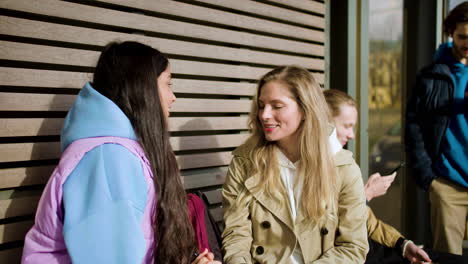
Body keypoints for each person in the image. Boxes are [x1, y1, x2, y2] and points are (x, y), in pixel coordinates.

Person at [21, 41, 220, 264]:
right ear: (143, 88)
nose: (173, 97)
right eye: (168, 84)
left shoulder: (120, 152)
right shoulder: (108, 159)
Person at [222, 65, 369, 263]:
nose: (264, 115)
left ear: (306, 109)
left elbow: (353, 247)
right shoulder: (245, 163)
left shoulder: (344, 169)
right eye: (261, 105)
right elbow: (236, 236)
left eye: (277, 106)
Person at [324, 89, 432, 264]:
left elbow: (369, 222)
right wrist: (366, 195)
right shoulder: (314, 167)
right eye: (346, 126)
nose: (351, 135)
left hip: (373, 249)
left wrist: (403, 244)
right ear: (325, 122)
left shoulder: (342, 165)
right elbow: (323, 227)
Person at [405, 2, 468, 256]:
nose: (467, 42)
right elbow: (414, 128)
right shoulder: (431, 75)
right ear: (450, 33)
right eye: (462, 36)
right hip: (447, 182)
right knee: (448, 255)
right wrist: (429, 178)